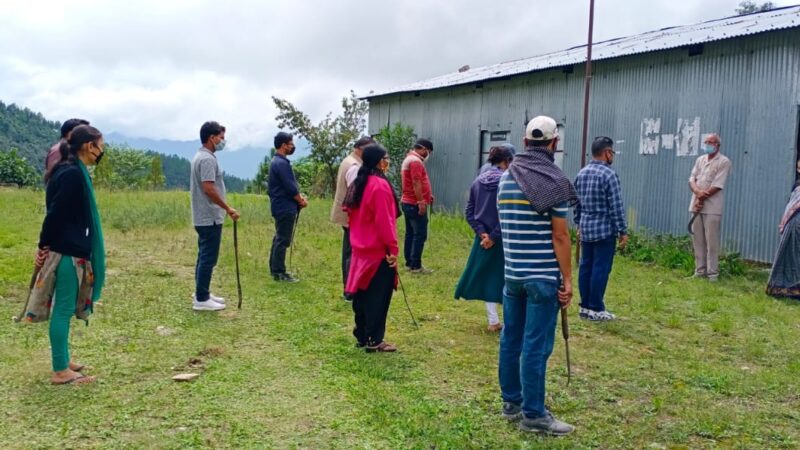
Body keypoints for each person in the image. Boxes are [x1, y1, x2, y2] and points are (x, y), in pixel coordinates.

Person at [497, 115, 576, 435]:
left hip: (513, 274)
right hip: (541, 277)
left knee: (510, 339)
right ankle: (534, 414)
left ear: (525, 141)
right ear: (554, 143)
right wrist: (568, 280)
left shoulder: (507, 177)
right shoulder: (553, 181)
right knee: (535, 345)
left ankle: (512, 402)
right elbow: (560, 236)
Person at [34, 125, 107, 384]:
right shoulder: (72, 174)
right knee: (63, 310)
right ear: (89, 146)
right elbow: (55, 214)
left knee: (64, 309)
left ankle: (64, 360)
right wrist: (43, 245)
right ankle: (59, 369)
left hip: (67, 247)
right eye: (101, 145)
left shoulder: (69, 169)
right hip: (67, 251)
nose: (102, 151)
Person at [343, 143, 400, 352]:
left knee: (362, 296)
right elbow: (385, 221)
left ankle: (362, 334)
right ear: (379, 162)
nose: (388, 163)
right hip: (377, 252)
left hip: (360, 249)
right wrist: (393, 250)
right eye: (386, 159)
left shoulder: (359, 182)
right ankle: (374, 340)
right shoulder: (379, 185)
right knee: (378, 297)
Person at [454, 145, 514, 332]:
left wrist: (482, 233)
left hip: (482, 239)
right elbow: (507, 213)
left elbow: (469, 212)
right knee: (506, 279)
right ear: (507, 161)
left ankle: (493, 320)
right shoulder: (507, 181)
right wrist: (494, 236)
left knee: (487, 277)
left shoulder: (477, 181)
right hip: (503, 238)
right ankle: (510, 321)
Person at [573, 136, 629, 321]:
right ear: (606, 153)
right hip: (604, 229)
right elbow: (616, 205)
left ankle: (585, 307)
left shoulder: (582, 173)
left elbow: (577, 203)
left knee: (585, 267)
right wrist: (622, 230)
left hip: (586, 227)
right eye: (611, 152)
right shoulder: (608, 174)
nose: (612, 156)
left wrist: (578, 223)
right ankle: (597, 308)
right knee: (601, 268)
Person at [190, 121, 239, 311]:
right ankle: (202, 299)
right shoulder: (208, 159)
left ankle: (201, 292)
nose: (222, 141)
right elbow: (209, 188)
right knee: (208, 258)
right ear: (212, 138)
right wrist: (227, 208)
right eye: (221, 137)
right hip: (209, 216)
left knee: (203, 256)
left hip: (202, 216)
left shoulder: (200, 156)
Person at [331, 136, 375, 300]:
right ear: (361, 148)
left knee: (349, 250)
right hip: (352, 216)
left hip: (348, 215)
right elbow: (356, 194)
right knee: (352, 253)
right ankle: (350, 290)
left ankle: (350, 288)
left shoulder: (349, 160)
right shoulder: (354, 166)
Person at [688, 133, 732, 282]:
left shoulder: (724, 161)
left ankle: (712, 273)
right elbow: (692, 179)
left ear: (717, 145)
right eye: (706, 142)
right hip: (696, 204)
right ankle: (699, 271)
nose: (708, 144)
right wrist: (697, 193)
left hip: (712, 206)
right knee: (698, 239)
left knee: (711, 241)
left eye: (711, 142)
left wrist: (702, 196)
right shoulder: (700, 160)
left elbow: (718, 185)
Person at [268, 132, 307, 282]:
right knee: (283, 239)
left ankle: (274, 268)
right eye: (291, 143)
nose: (292, 146)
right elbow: (291, 188)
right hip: (285, 206)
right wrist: (300, 200)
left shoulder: (276, 162)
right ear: (284, 145)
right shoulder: (282, 164)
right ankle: (279, 272)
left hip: (279, 205)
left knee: (279, 237)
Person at [766, 161, 800, 299]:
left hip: (796, 222)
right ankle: (786, 287)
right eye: (798, 167)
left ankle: (792, 287)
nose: (799, 170)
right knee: (790, 255)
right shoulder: (797, 185)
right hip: (793, 223)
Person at [400, 138, 434, 273]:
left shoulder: (409, 159)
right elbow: (416, 182)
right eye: (429, 151)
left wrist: (427, 195)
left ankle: (409, 262)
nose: (428, 155)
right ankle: (416, 265)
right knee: (419, 234)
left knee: (410, 234)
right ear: (424, 149)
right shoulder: (415, 161)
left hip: (407, 202)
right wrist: (421, 201)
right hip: (414, 203)